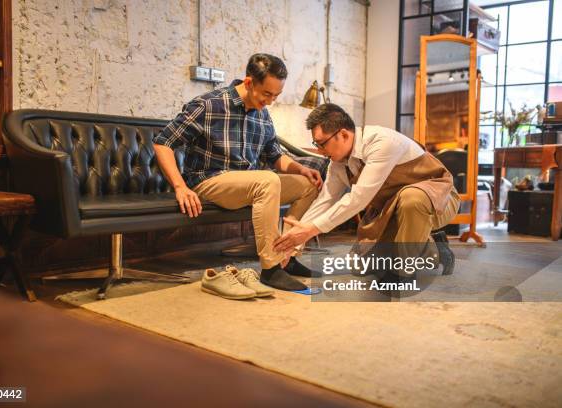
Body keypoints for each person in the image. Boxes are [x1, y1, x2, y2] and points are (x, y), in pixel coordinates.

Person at [154, 53, 322, 291]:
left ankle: (288, 258)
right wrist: (180, 186)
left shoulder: (263, 114)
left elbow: (274, 155)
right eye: (267, 94)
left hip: (248, 184)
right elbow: (163, 142)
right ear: (249, 82)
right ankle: (271, 269)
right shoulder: (208, 105)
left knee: (308, 185)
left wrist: (301, 168)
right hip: (209, 182)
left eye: (276, 95)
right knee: (266, 181)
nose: (271, 101)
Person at [274, 103, 459, 276]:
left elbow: (359, 198)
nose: (320, 151)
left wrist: (311, 230)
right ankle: (435, 247)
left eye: (322, 143)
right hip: (389, 211)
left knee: (411, 199)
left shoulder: (382, 142)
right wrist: (294, 243)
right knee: (360, 266)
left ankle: (403, 273)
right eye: (317, 144)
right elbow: (326, 200)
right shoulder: (338, 164)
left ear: (344, 135)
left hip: (437, 201)